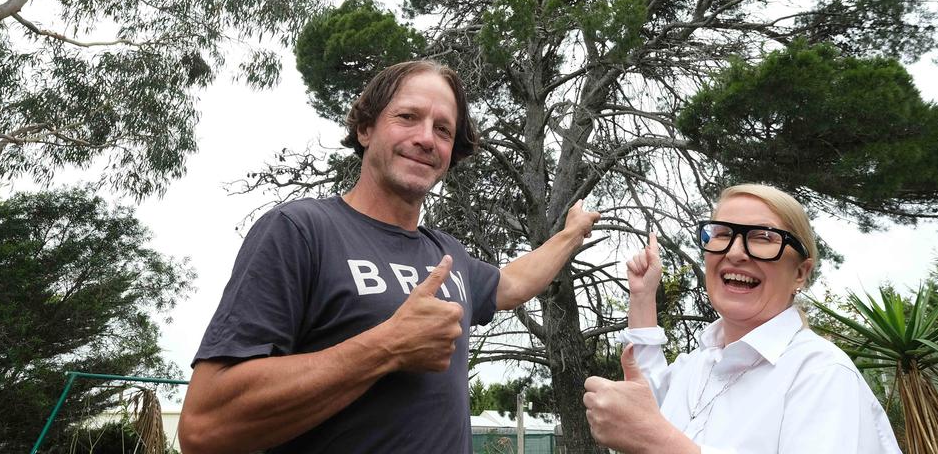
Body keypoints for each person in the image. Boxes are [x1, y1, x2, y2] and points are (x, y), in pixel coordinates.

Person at [179, 60, 600, 454]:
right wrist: (386, 348)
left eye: (443, 130)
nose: (425, 139)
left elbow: (514, 283)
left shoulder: (446, 254)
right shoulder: (301, 231)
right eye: (407, 117)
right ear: (365, 129)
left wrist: (572, 234)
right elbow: (203, 428)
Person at [583, 183, 901, 453]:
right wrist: (642, 296)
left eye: (763, 237)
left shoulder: (821, 374)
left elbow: (652, 431)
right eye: (722, 234)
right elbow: (651, 403)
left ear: (800, 273)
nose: (735, 252)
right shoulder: (700, 366)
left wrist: (659, 442)